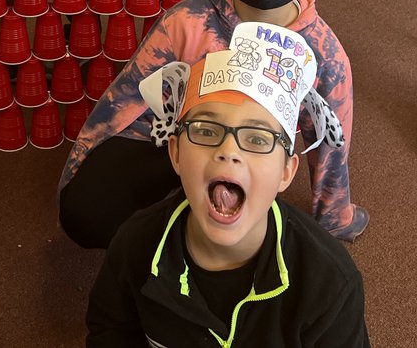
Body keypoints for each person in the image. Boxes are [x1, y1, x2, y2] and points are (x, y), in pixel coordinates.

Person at [60, 0, 366, 246]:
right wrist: (80, 169)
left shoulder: (324, 53)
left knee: (247, 235)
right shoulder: (187, 22)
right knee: (86, 216)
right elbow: (124, 101)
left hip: (252, 155)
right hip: (175, 142)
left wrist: (335, 218)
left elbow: (331, 141)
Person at [86, 26, 369, 346]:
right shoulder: (134, 246)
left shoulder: (330, 283)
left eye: (258, 139)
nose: (229, 151)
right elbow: (109, 332)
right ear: (176, 153)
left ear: (286, 172)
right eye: (206, 131)